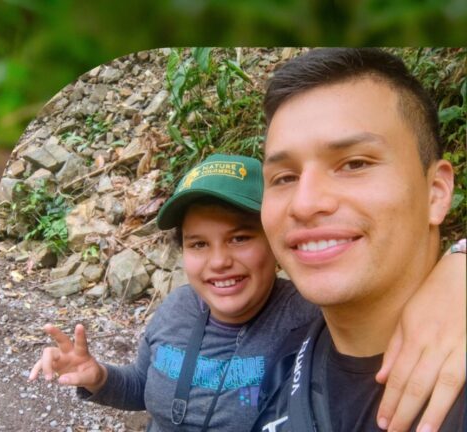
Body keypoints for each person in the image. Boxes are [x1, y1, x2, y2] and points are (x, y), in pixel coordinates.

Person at [29, 153, 465, 431]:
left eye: (240, 238)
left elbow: (397, 295)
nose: (218, 261)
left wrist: (458, 265)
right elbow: (144, 386)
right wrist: (98, 376)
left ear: (276, 240)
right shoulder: (178, 308)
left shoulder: (319, 316)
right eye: (199, 244)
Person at [252, 48, 465, 431]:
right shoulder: (282, 366)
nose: (305, 204)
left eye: (354, 164)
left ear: (435, 192)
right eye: (284, 178)